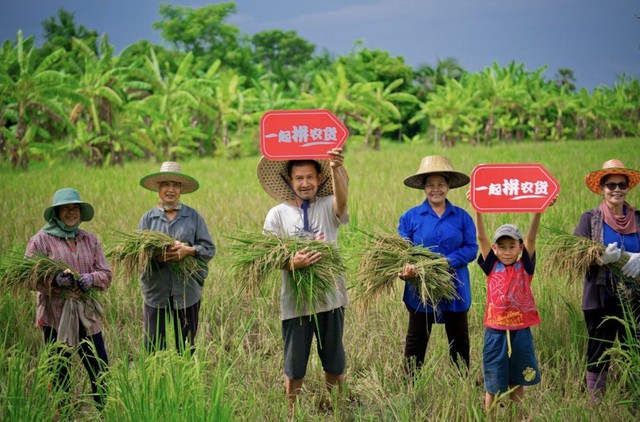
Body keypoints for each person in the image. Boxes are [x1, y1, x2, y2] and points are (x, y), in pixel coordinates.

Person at [257, 147, 349, 412]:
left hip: (331, 298)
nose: (305, 183)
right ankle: (291, 414)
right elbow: (266, 255)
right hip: (295, 303)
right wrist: (290, 262)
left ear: (319, 179)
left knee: (334, 361)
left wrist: (335, 168)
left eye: (310, 177)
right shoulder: (277, 214)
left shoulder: (327, 204)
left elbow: (341, 205)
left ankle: (338, 411)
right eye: (299, 178)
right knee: (295, 366)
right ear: (290, 181)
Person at [25, 188, 112, 407]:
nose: (71, 213)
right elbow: (28, 277)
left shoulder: (89, 240)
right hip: (56, 316)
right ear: (57, 212)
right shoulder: (41, 241)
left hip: (87, 315)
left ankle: (104, 410)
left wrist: (90, 279)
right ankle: (63, 413)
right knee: (59, 369)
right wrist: (54, 280)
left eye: (75, 208)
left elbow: (106, 274)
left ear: (81, 212)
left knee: (99, 367)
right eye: (66, 208)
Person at [398, 155, 478, 377]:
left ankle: (461, 383)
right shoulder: (410, 217)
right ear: (423, 187)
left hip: (456, 287)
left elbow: (472, 248)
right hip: (420, 289)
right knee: (416, 339)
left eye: (441, 184)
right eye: (431, 185)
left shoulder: (462, 217)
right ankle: (409, 385)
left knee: (459, 339)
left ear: (449, 186)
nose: (436, 189)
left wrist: (445, 262)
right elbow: (402, 249)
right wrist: (408, 268)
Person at [574, 159, 640, 402]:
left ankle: (633, 397)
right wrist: (599, 258)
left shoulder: (639, 218)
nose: (616, 189)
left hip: (635, 297)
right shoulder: (590, 219)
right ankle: (597, 401)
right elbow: (575, 255)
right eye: (610, 185)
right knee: (599, 348)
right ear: (602, 188)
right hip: (600, 295)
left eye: (621, 184)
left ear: (627, 187)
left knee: (634, 347)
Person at [473, 205, 548, 411]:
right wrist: (478, 208)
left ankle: (517, 416)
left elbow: (532, 238)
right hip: (495, 330)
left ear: (520, 248)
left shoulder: (525, 266)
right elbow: (481, 238)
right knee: (493, 382)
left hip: (520, 330)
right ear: (495, 249)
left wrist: (539, 210)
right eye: (502, 246)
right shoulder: (491, 265)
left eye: (512, 246)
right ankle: (490, 417)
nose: (507, 251)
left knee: (518, 379)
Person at [138, 161, 215, 353]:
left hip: (187, 291)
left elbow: (209, 249)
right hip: (156, 291)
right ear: (158, 188)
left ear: (181, 189)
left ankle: (186, 380)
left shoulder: (193, 217)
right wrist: (158, 257)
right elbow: (137, 255)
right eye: (165, 184)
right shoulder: (148, 219)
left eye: (175, 185)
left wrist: (188, 251)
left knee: (186, 347)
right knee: (154, 347)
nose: (170, 189)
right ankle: (157, 380)